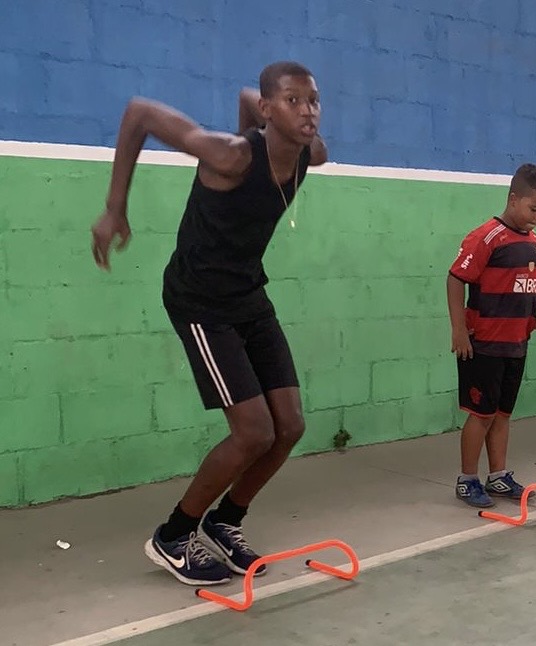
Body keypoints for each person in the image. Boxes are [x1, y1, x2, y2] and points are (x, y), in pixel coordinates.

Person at [89, 61, 327, 586]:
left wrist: (262, 112)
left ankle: (225, 522)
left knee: (289, 427)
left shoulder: (311, 154)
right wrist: (114, 208)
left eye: (313, 100)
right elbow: (140, 112)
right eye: (292, 101)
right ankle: (173, 536)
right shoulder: (230, 155)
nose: (308, 111)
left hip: (248, 294)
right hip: (200, 301)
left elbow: (248, 98)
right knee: (254, 431)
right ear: (269, 109)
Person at [447, 163, 536, 508]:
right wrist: (459, 330)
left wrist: (530, 322)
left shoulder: (531, 241)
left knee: (503, 414)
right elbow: (455, 279)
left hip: (515, 345)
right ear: (513, 199)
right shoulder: (487, 237)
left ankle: (498, 476)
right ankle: (467, 479)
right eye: (534, 209)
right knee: (481, 414)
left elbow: (521, 289)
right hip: (484, 344)